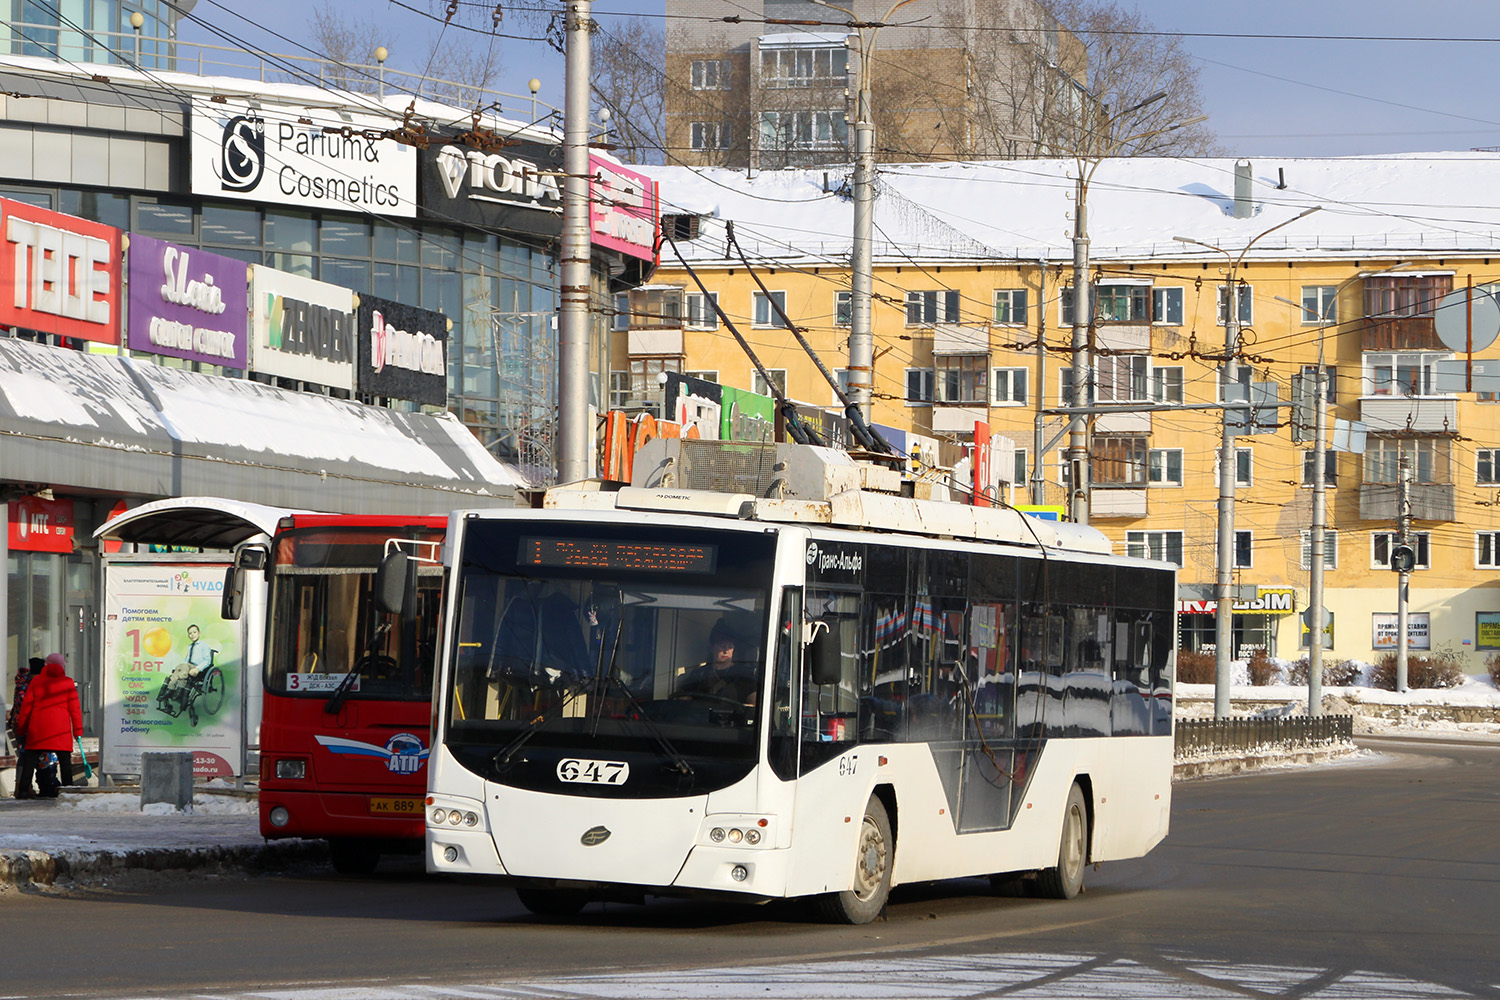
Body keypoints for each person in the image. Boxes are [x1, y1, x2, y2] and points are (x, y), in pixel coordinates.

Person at [14, 653, 82, 799]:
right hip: (60, 732)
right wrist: (78, 732)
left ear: (46, 665)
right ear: (62, 666)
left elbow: (26, 707)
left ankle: (24, 791)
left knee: (30, 760)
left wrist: (22, 728)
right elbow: (75, 710)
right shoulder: (68, 682)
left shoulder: (36, 681)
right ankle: (68, 791)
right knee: (65, 761)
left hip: (38, 730)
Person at [676, 619, 757, 707]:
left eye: (730, 646)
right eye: (722, 646)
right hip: (702, 719)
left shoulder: (743, 675)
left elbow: (754, 705)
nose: (726, 651)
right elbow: (683, 701)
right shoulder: (699, 675)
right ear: (711, 647)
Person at [6, 658, 44, 797]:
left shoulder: (21, 683)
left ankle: (23, 786)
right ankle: (23, 787)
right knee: (27, 755)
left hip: (19, 723)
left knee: (26, 755)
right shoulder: (30, 685)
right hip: (25, 724)